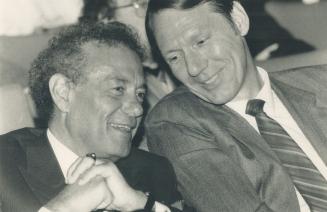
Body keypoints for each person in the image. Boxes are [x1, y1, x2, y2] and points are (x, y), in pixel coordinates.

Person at [144, 0, 327, 211]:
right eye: (174, 57)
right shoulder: (175, 122)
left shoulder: (321, 84)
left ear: (238, 20)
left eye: (200, 42)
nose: (193, 67)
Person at [0, 21, 182, 211]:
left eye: (140, 94)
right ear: (63, 93)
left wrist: (142, 204)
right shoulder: (5, 165)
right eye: (118, 89)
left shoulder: (154, 171)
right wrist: (63, 208)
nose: (137, 109)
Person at [80, 0, 178, 149]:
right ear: (105, 18)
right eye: (142, 4)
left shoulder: (181, 60)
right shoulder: (93, 86)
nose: (155, 10)